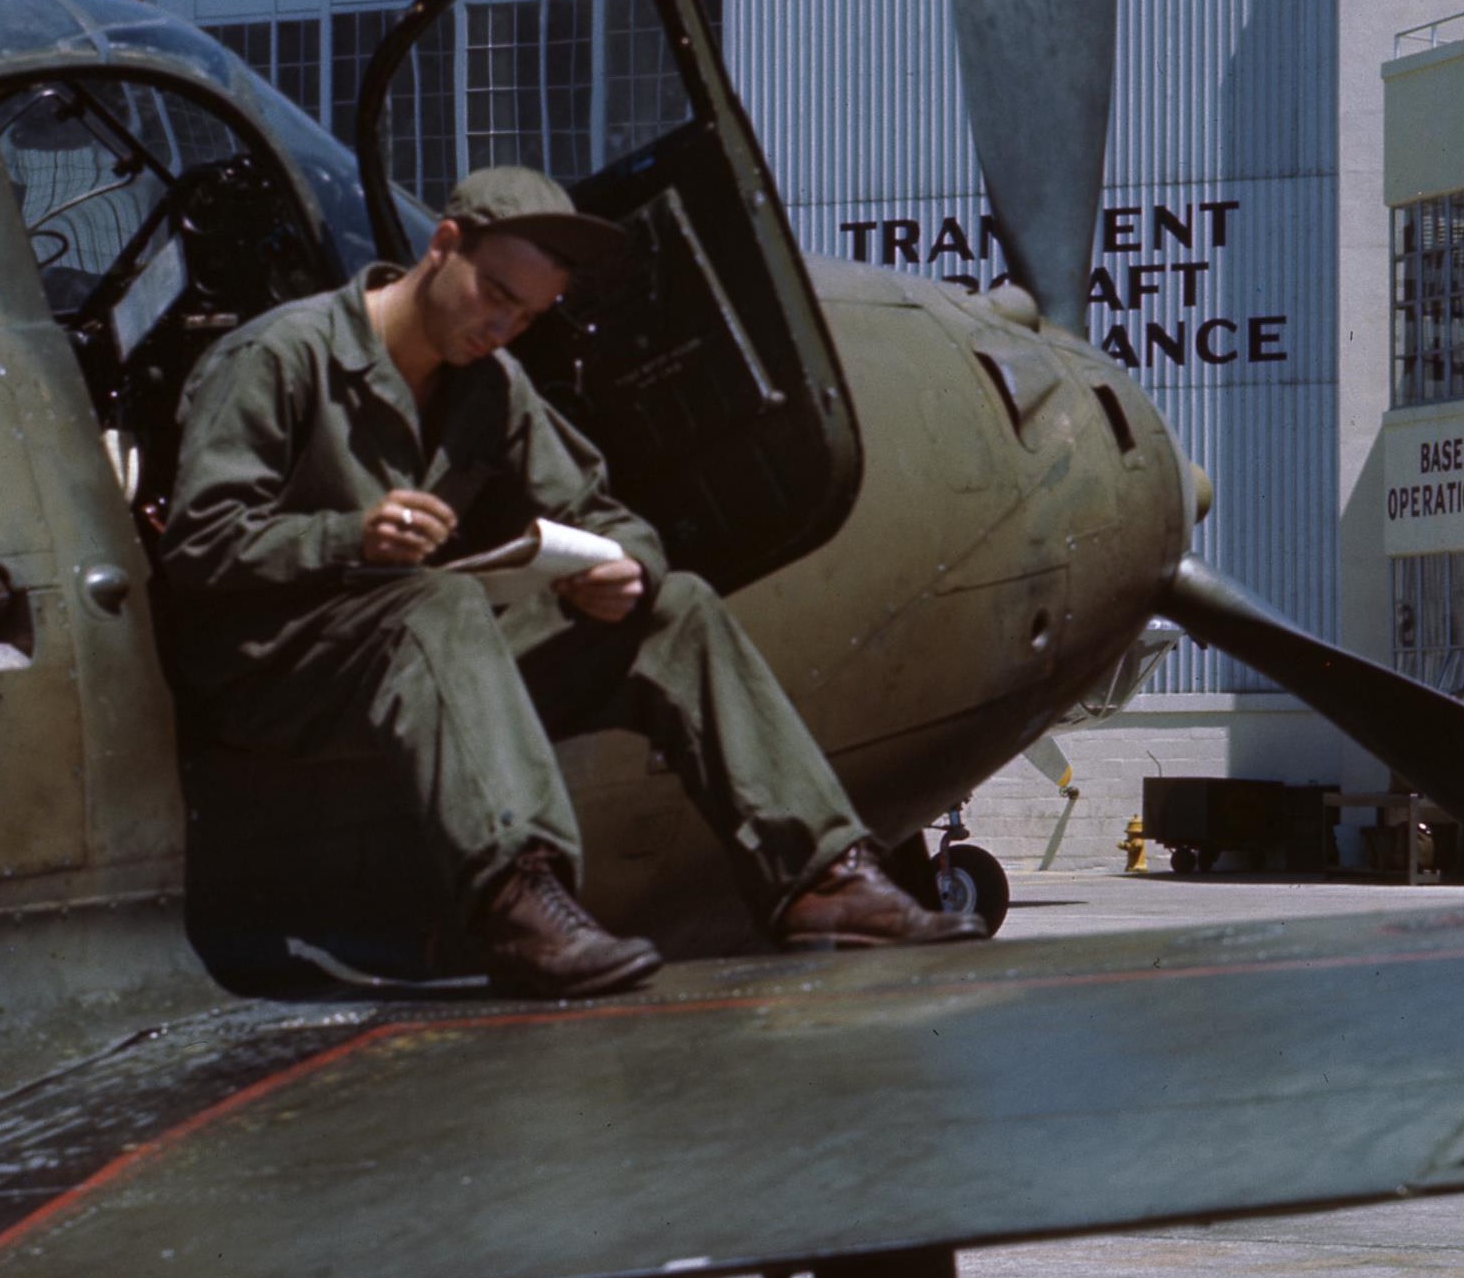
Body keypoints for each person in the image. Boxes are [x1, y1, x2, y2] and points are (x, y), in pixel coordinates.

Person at [157, 165, 964, 995]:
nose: (500, 326)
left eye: (525, 315)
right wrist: (349, 536)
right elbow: (199, 545)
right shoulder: (279, 355)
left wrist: (621, 570)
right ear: (441, 247)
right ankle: (519, 904)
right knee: (437, 603)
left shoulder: (489, 384)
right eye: (493, 293)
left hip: (413, 658)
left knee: (674, 610)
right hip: (273, 677)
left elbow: (600, 512)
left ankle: (821, 882)